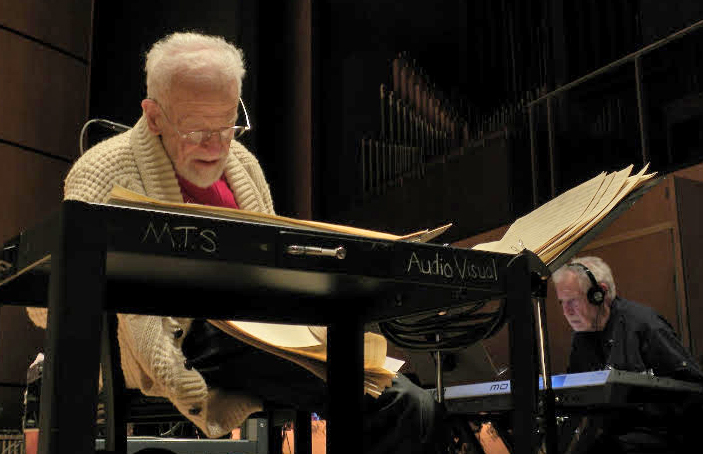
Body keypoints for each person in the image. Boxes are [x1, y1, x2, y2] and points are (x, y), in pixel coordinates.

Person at [26, 32, 445, 453]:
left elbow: (276, 273)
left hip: (256, 332)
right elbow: (49, 303)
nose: (216, 146)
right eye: (195, 131)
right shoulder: (103, 169)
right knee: (394, 404)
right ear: (153, 116)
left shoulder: (243, 166)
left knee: (411, 401)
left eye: (227, 125)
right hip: (179, 341)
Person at [552, 256, 703, 452]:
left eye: (572, 300)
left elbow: (693, 388)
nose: (566, 311)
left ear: (600, 293)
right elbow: (575, 397)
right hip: (615, 436)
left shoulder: (645, 325)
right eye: (562, 302)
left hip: (660, 436)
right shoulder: (582, 338)